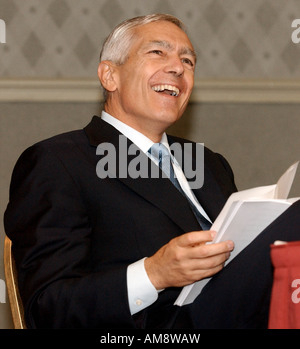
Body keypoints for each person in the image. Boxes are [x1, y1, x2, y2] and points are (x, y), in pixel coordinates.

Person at [4, 14, 300, 329]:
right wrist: (154, 274)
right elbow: (47, 308)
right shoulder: (59, 161)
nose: (177, 67)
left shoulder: (208, 164)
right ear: (109, 76)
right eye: (157, 53)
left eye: (188, 61)